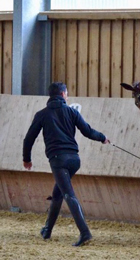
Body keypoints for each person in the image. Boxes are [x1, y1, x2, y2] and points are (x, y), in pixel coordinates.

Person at [22, 82, 109, 246]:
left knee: (68, 195)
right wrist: (103, 138)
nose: (67, 96)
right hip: (74, 160)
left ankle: (85, 233)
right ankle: (47, 230)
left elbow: (29, 138)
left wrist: (27, 158)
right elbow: (88, 131)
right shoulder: (71, 112)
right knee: (58, 193)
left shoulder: (42, 114)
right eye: (67, 93)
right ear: (63, 94)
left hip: (58, 160)